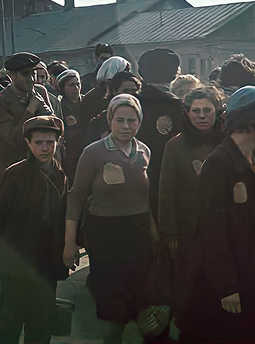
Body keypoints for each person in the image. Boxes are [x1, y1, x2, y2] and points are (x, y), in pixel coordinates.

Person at [178, 86, 255, 342]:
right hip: (224, 282)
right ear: (253, 122)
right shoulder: (219, 163)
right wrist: (226, 286)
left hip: (249, 272)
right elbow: (212, 229)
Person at [63, 94, 155, 344]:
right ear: (110, 120)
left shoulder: (144, 152)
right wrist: (69, 243)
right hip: (105, 237)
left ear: (140, 122)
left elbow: (148, 199)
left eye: (132, 120)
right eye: (119, 120)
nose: (126, 126)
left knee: (140, 302)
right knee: (113, 309)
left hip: (139, 236)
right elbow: (76, 197)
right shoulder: (94, 153)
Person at [0, 116, 68, 344]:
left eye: (50, 142)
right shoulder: (15, 174)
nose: (45, 148)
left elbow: (63, 215)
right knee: (12, 318)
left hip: (47, 257)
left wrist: (69, 247)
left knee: (42, 319)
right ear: (28, 143)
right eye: (39, 142)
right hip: (16, 256)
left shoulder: (59, 173)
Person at [157, 86, 225, 324]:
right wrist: (169, 231)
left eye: (207, 110)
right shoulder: (176, 145)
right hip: (187, 228)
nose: (202, 115)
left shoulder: (226, 142)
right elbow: (167, 191)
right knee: (187, 285)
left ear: (217, 111)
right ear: (187, 113)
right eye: (196, 110)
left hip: (222, 228)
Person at [0, 52, 54, 202]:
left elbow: (52, 126)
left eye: (33, 73)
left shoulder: (39, 92)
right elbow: (13, 138)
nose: (31, 78)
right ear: (11, 75)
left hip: (38, 174)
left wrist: (42, 108)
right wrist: (31, 108)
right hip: (9, 177)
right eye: (25, 74)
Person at [136, 48, 184, 220]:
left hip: (135, 175)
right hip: (170, 175)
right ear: (174, 74)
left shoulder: (133, 103)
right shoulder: (177, 106)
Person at [86, 71, 141, 145]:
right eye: (126, 91)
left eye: (134, 91)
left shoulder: (144, 119)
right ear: (115, 91)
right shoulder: (99, 122)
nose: (130, 95)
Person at [56, 69, 83, 184]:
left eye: (78, 84)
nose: (76, 88)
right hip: (69, 150)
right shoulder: (59, 106)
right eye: (71, 85)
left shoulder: (87, 102)